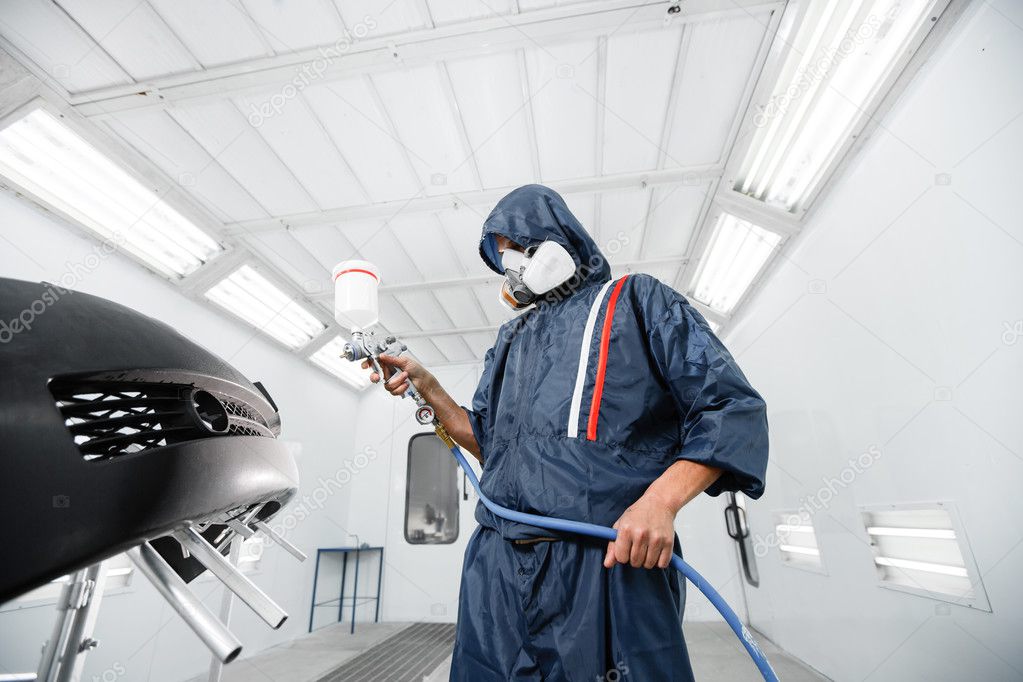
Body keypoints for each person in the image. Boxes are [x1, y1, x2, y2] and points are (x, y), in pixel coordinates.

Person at [364, 184, 769, 681]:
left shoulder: (636, 300)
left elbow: (729, 406)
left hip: (606, 563)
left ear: (553, 243)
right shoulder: (511, 338)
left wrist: (660, 502)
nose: (509, 266)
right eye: (500, 258)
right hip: (495, 571)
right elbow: (490, 442)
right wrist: (429, 388)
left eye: (513, 248)